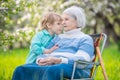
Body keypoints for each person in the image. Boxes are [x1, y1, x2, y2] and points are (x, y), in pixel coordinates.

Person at [12, 6, 94, 80]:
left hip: (75, 69)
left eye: (66, 19)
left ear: (77, 21)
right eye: (62, 20)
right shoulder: (58, 37)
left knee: (53, 70)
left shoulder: (85, 39)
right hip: (52, 65)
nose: (63, 22)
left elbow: (82, 60)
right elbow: (45, 52)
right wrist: (40, 60)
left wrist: (59, 60)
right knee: (20, 69)